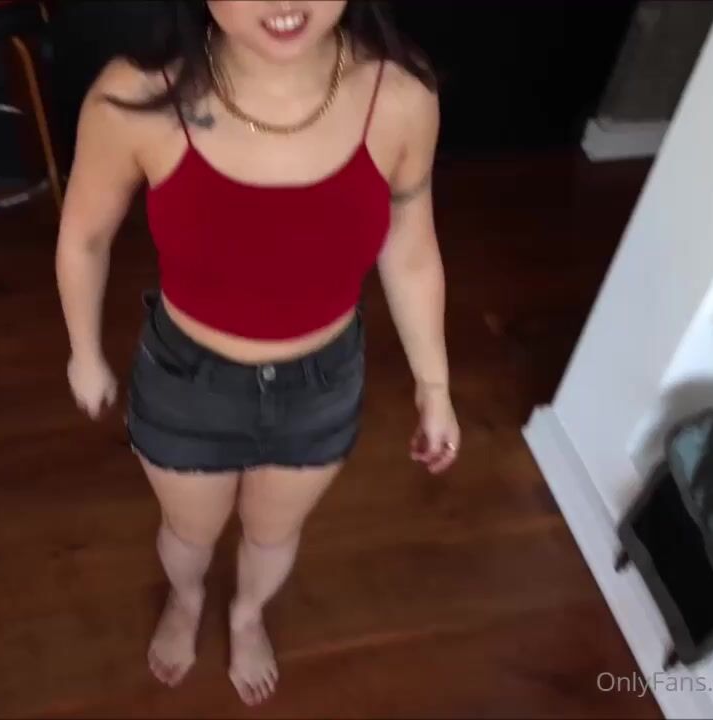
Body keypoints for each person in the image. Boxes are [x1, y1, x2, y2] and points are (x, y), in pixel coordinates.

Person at [55, 0, 458, 706]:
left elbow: (411, 247)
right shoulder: (138, 98)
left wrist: (435, 384)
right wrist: (82, 353)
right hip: (188, 380)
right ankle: (186, 599)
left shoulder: (399, 94)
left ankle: (246, 614)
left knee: (275, 533)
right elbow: (85, 238)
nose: (284, 3)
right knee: (189, 532)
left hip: (322, 382)